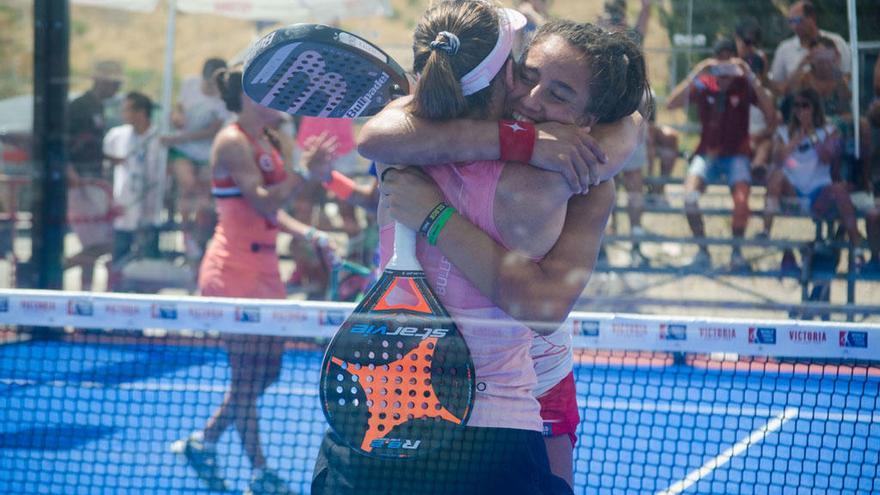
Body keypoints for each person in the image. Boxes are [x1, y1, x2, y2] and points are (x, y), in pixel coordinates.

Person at [342, 6, 647, 493]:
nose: (530, 98)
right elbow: (376, 136)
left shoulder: (581, 180)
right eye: (527, 76)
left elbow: (628, 122)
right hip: (476, 420)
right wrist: (524, 139)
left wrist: (433, 214)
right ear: (508, 72)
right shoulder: (420, 140)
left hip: (531, 376)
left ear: (590, 119)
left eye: (559, 94)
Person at [170, 66, 336, 495]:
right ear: (247, 98)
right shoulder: (231, 141)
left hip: (265, 274)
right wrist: (303, 173)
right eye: (270, 91)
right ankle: (261, 472)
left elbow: (277, 212)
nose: (280, 98)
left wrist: (311, 232)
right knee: (246, 375)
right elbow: (262, 204)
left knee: (268, 372)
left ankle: (204, 442)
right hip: (231, 271)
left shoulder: (272, 141)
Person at [666, 38, 776, 272]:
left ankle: (736, 252)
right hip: (707, 152)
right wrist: (697, 72)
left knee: (742, 200)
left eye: (729, 63)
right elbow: (671, 104)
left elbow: (770, 114)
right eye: (720, 62)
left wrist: (750, 76)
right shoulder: (705, 83)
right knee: (689, 198)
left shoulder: (743, 84)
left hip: (737, 153)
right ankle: (703, 251)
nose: (725, 70)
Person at [760, 87, 864, 269]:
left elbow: (827, 157)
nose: (800, 110)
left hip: (818, 191)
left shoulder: (830, 131)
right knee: (776, 176)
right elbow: (778, 159)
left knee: (839, 189)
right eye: (796, 106)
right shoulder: (783, 132)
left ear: (814, 108)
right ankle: (765, 231)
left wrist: (813, 135)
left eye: (805, 106)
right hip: (792, 191)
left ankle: (857, 248)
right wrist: (797, 139)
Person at [598, 0, 653, 267]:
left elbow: (643, 19)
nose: (613, 19)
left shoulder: (631, 41)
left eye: (617, 14)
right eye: (610, 14)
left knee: (633, 187)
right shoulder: (595, 43)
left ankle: (636, 244)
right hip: (603, 128)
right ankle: (601, 248)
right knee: (601, 189)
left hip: (628, 126)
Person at [161, 57, 229, 263]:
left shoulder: (224, 98)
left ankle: (200, 238)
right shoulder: (190, 84)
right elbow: (179, 106)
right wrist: (177, 117)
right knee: (187, 184)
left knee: (204, 193)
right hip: (184, 149)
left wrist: (181, 137)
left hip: (206, 151)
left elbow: (213, 130)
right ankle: (186, 234)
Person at [65, 59, 124, 291]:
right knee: (98, 243)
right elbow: (61, 142)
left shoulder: (98, 108)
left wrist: (112, 159)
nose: (116, 90)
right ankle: (60, 267)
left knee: (98, 243)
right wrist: (70, 172)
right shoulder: (79, 107)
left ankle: (85, 296)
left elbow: (91, 144)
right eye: (114, 84)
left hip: (94, 181)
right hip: (80, 182)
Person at [102, 92, 164, 270]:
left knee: (148, 261)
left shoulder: (161, 138)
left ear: (141, 112)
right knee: (120, 259)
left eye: (127, 110)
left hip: (151, 208)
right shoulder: (116, 136)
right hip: (124, 207)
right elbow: (104, 166)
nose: (123, 114)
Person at [769, 0, 851, 97]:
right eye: (790, 21)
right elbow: (777, 88)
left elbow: (848, 85)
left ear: (812, 18)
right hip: (798, 105)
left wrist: (831, 65)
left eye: (798, 20)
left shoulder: (837, 42)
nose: (794, 26)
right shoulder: (784, 49)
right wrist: (803, 63)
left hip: (834, 105)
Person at [735, 17, 775, 184]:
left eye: (757, 68)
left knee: (766, 144)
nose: (753, 72)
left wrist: (758, 136)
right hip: (738, 139)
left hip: (758, 140)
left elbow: (773, 124)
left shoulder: (766, 95)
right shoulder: (733, 93)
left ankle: (757, 168)